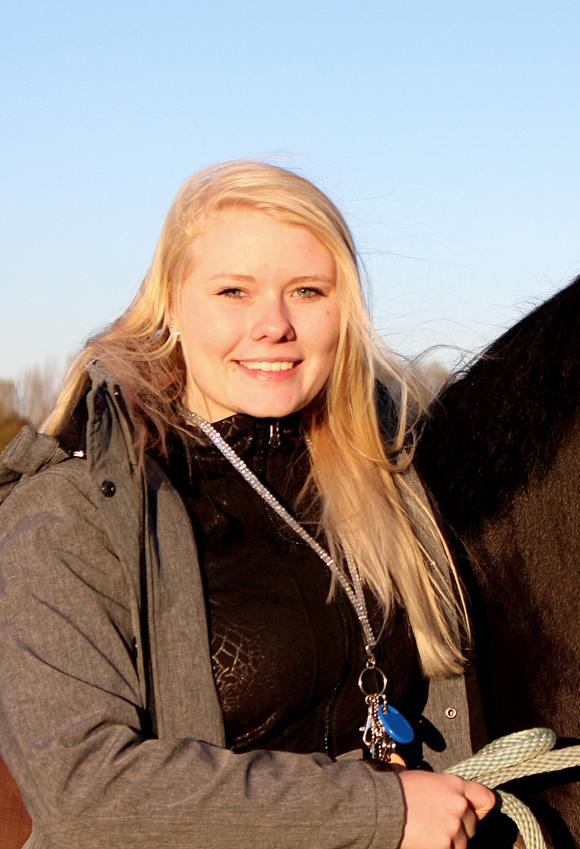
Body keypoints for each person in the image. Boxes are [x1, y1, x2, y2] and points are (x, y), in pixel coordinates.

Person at [0, 161, 496, 849]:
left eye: (308, 291)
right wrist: (379, 811)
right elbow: (87, 793)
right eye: (234, 290)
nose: (274, 325)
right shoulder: (70, 514)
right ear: (173, 304)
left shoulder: (383, 479)